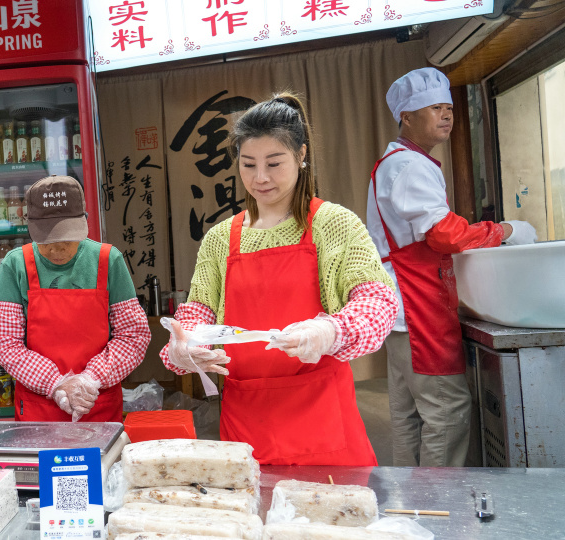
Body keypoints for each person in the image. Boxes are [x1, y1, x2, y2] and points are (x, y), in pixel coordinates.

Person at [161, 93, 399, 466]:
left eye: (274, 163)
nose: (260, 178)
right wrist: (185, 344)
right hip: (246, 424)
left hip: (321, 420)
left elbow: (378, 303)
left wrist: (331, 331)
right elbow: (198, 310)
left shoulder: (334, 224)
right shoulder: (221, 239)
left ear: (301, 154)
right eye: (248, 164)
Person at [367, 68, 536, 467]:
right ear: (406, 116)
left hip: (400, 309)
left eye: (449, 108)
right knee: (447, 411)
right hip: (417, 304)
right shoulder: (410, 165)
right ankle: (438, 503)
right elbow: (444, 234)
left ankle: (412, 499)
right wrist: (506, 230)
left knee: (408, 416)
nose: (446, 115)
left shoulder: (396, 162)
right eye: (434, 108)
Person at [0, 176, 151, 421]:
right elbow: (5, 342)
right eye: (46, 240)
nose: (57, 250)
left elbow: (133, 335)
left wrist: (89, 380)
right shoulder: (16, 264)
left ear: (83, 222)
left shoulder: (108, 260)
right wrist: (55, 383)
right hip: (38, 409)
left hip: (97, 404)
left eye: (66, 239)